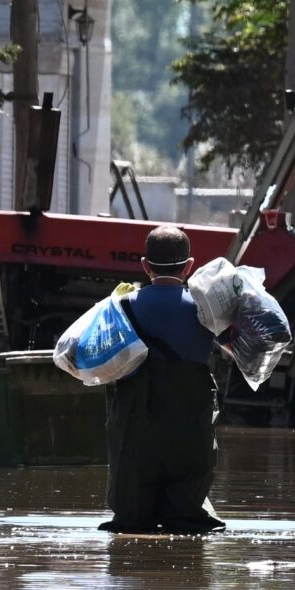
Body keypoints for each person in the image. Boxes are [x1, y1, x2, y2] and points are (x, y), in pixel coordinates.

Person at [100, 225, 226, 535]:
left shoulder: (122, 306)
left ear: (145, 265)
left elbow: (96, 359)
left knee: (130, 525)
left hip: (136, 426)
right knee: (188, 524)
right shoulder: (205, 309)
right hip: (190, 425)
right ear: (189, 266)